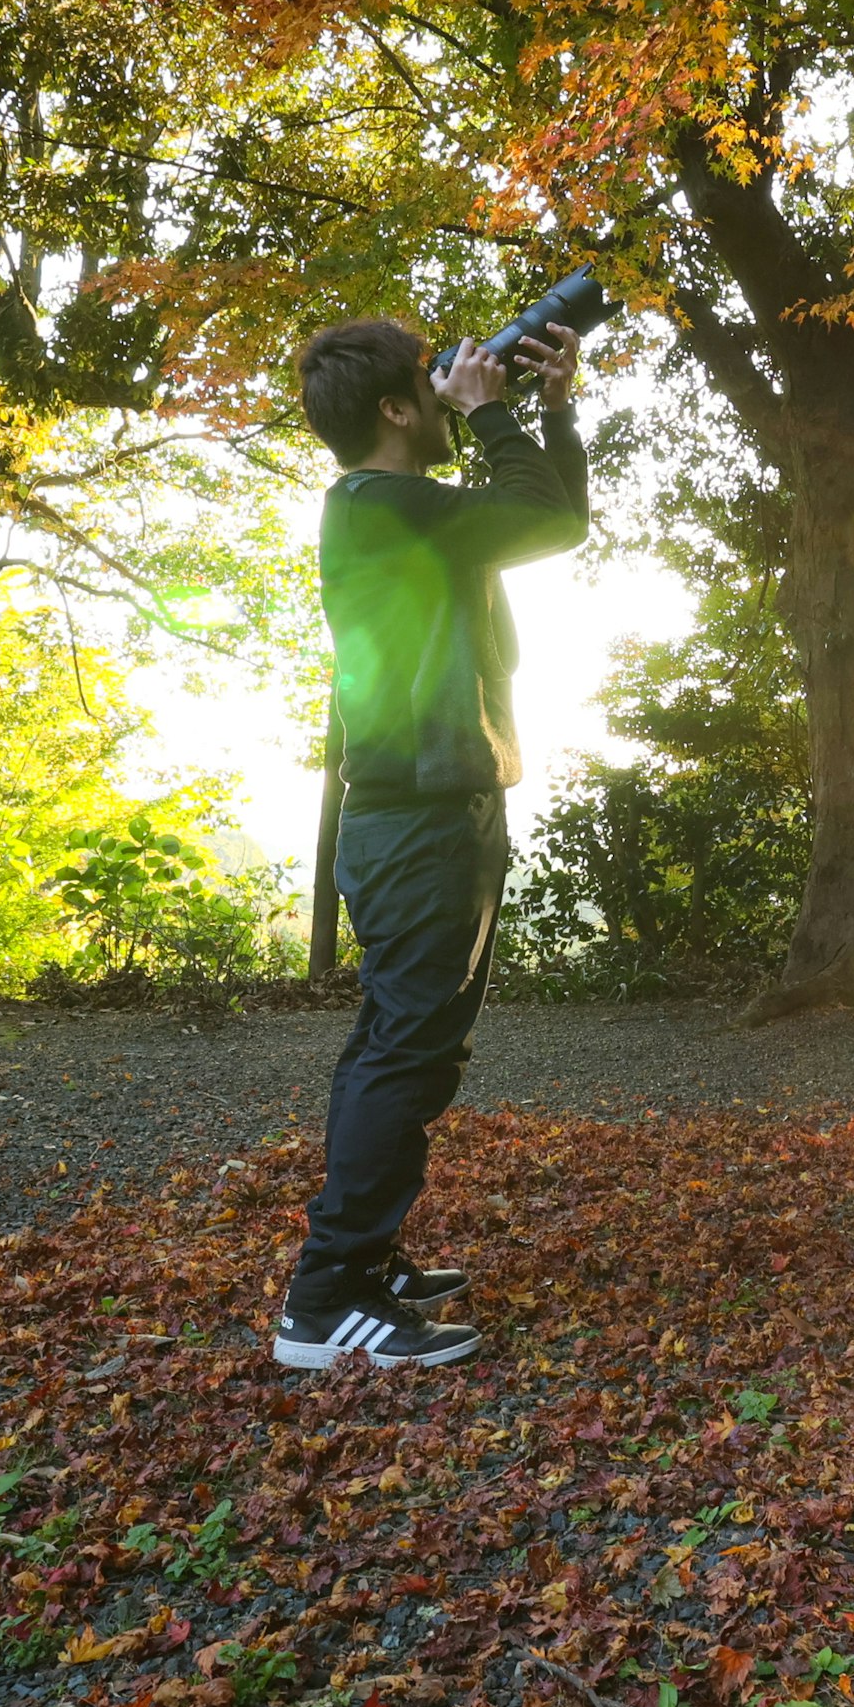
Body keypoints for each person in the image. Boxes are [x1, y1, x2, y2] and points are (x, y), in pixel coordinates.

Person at [272, 310, 588, 1369]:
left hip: (437, 807)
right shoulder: (381, 507)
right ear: (399, 408)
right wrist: (494, 410)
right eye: (431, 377)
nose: (451, 384)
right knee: (405, 1049)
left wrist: (549, 408)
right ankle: (325, 1301)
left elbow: (552, 516)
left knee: (410, 1046)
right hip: (415, 818)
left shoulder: (401, 509)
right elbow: (541, 513)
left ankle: (364, 1260)